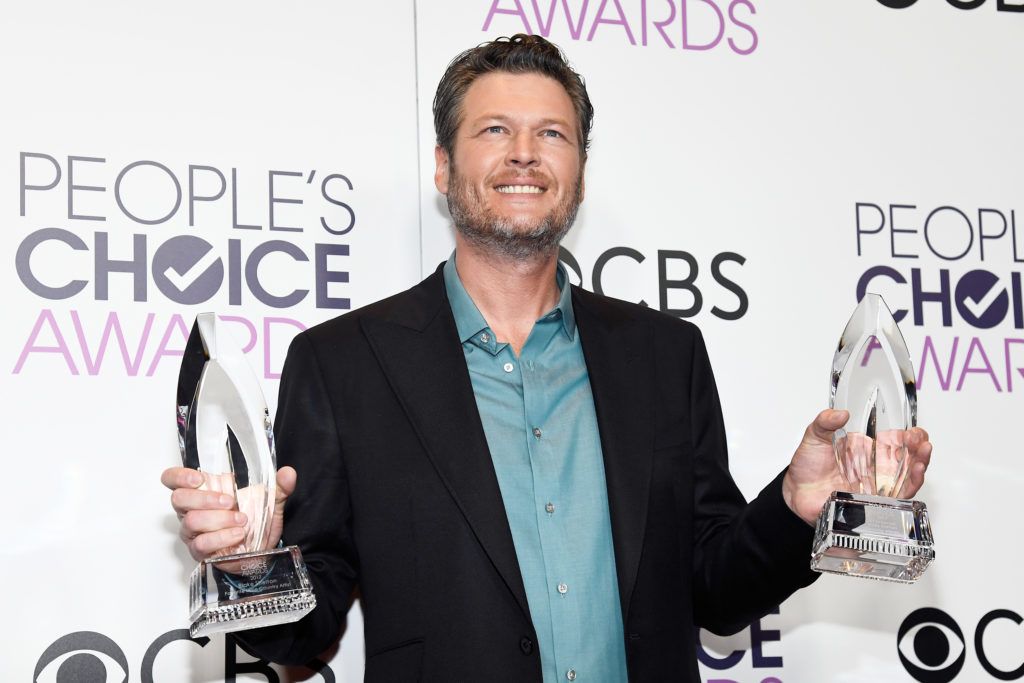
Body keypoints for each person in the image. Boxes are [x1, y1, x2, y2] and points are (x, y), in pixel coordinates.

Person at [162, 34, 932, 682]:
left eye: (552, 134)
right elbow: (307, 630)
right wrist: (248, 563)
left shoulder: (666, 355)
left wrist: (800, 506)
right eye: (494, 130)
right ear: (443, 165)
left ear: (580, 172)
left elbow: (715, 589)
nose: (524, 155)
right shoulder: (342, 364)